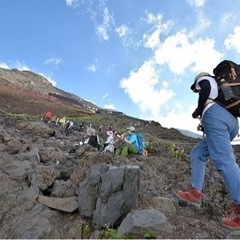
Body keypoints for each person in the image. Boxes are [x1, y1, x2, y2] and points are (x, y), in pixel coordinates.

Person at [174, 72, 240, 230]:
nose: (196, 89)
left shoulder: (206, 79)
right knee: (198, 153)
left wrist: (198, 111)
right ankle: (195, 192)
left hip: (215, 116)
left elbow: (205, 88)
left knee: (224, 160)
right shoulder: (222, 89)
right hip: (231, 122)